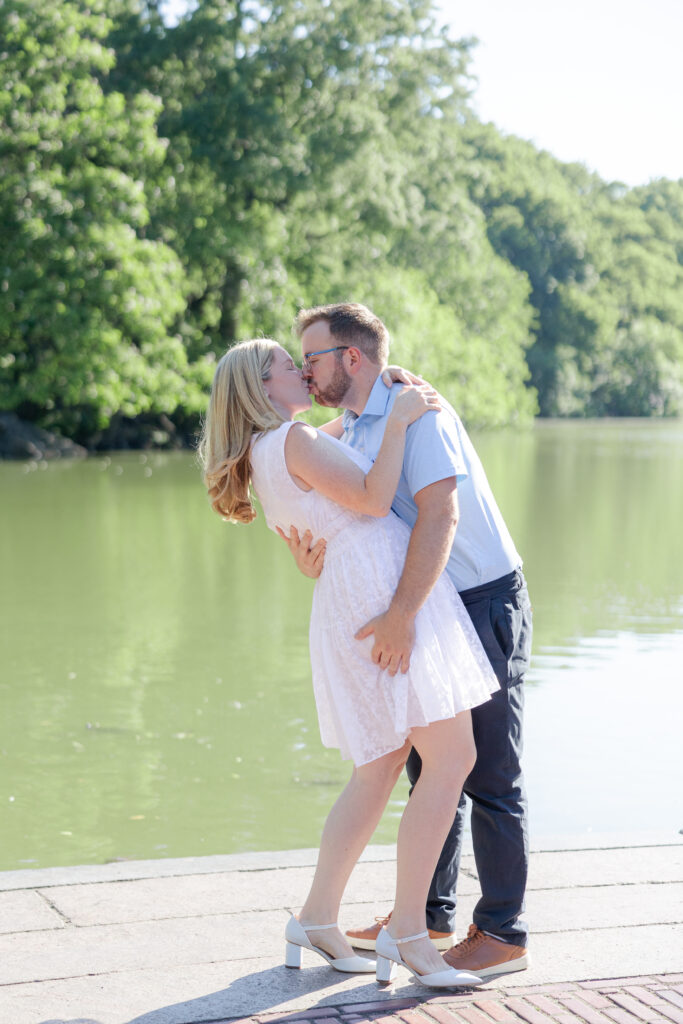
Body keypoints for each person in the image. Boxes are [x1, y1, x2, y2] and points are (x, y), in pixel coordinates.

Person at [199, 338, 499, 988]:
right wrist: (396, 421)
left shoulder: (267, 450)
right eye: (287, 365)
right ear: (263, 385)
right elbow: (368, 495)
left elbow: (335, 451)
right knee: (450, 758)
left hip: (347, 588)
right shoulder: (295, 441)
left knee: (380, 766)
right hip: (375, 584)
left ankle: (316, 918)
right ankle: (412, 937)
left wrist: (380, 403)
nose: (301, 370)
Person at [281, 302, 533, 980]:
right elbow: (351, 510)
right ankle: (424, 915)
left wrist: (398, 615)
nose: (304, 372)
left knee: (487, 773)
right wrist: (314, 559)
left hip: (477, 597)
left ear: (351, 358)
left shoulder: (409, 408)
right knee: (430, 764)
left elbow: (440, 514)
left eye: (311, 358)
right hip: (430, 603)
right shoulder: (358, 424)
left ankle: (503, 931)